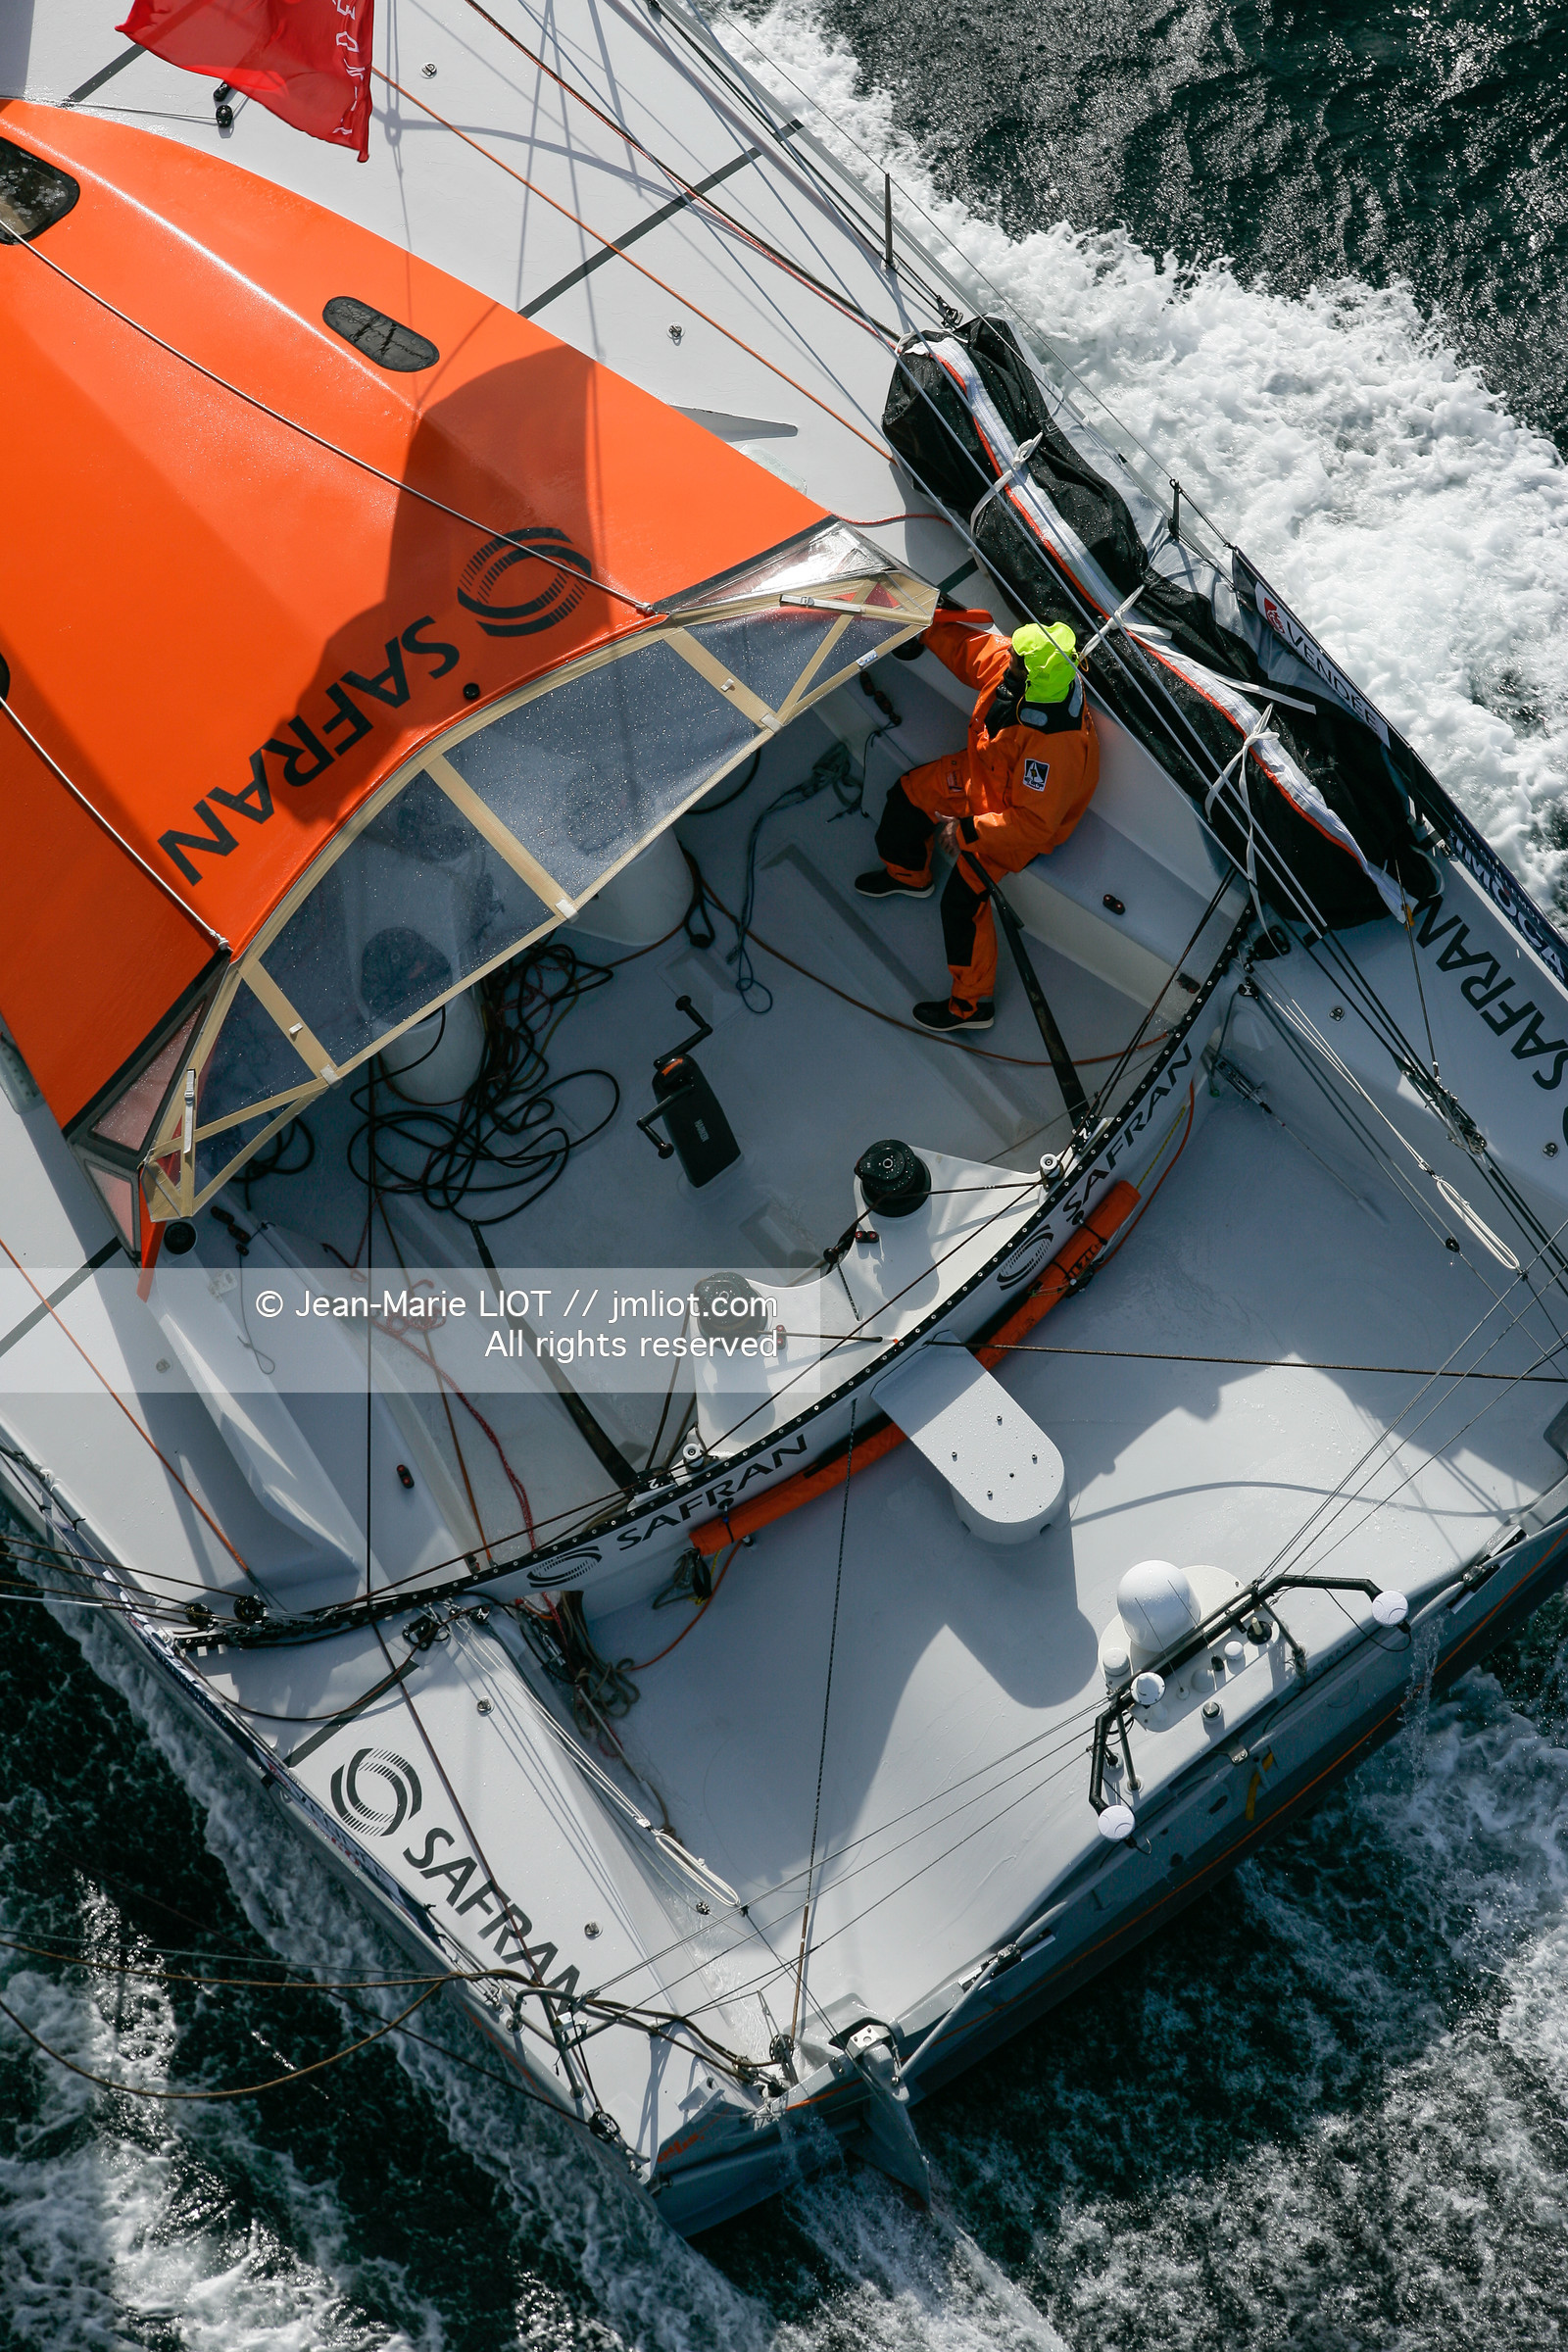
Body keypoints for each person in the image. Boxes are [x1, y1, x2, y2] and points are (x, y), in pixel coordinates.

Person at [856, 610, 1101, 1033]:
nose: (1010, 661)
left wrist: (967, 830)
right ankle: (909, 875)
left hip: (1009, 828)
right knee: (907, 795)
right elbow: (968, 652)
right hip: (979, 780)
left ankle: (970, 1007)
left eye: (1019, 662)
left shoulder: (1056, 747)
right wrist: (923, 625)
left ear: (1034, 675)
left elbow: (1032, 825)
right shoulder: (1020, 669)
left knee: (961, 905)